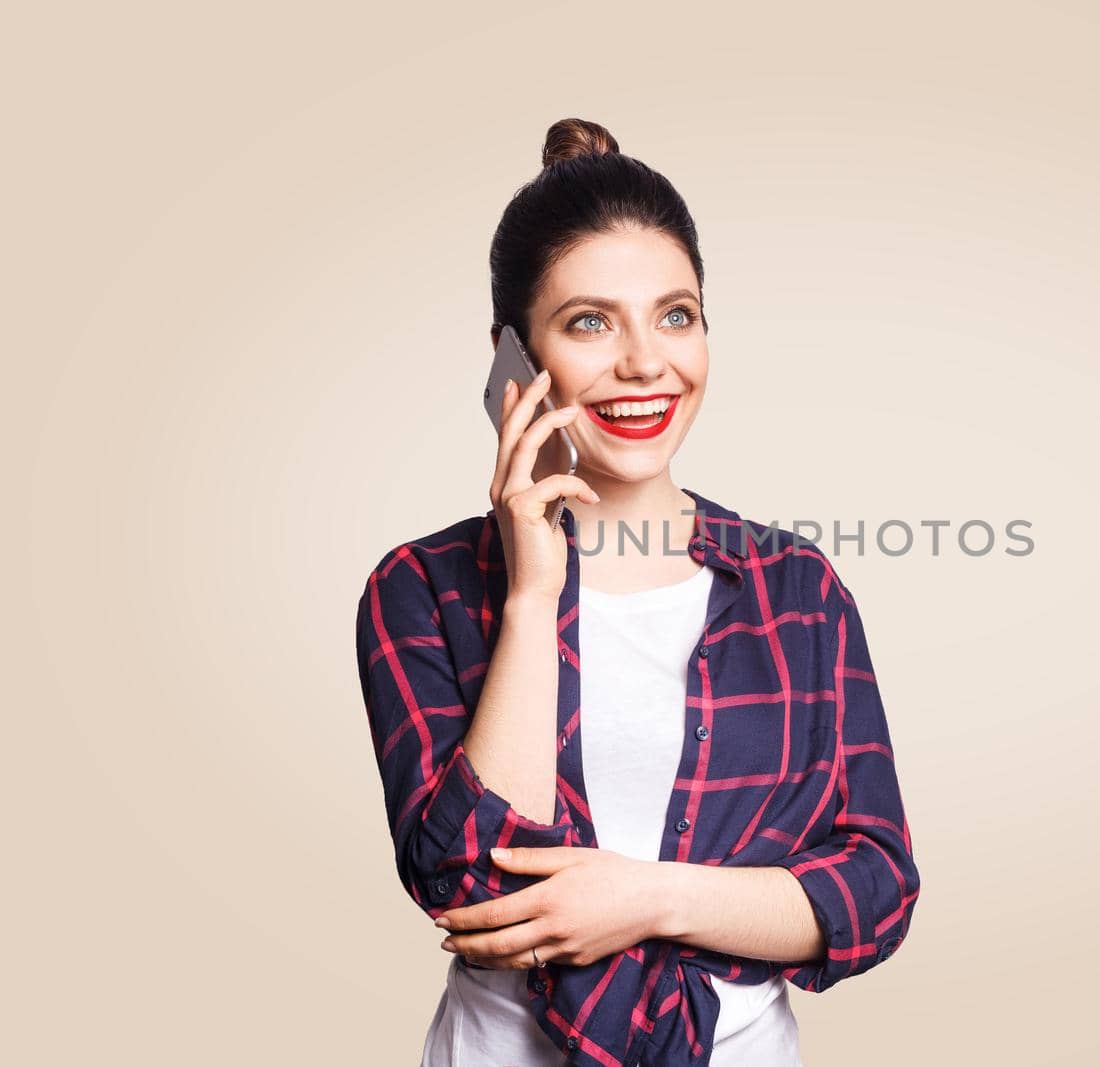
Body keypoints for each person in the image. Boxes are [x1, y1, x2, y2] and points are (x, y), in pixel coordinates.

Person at [355, 118, 919, 1067]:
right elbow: (467, 882)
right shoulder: (421, 590)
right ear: (513, 358)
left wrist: (651, 897)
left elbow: (876, 887)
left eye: (675, 314)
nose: (645, 363)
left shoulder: (798, 592)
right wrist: (534, 591)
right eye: (588, 322)